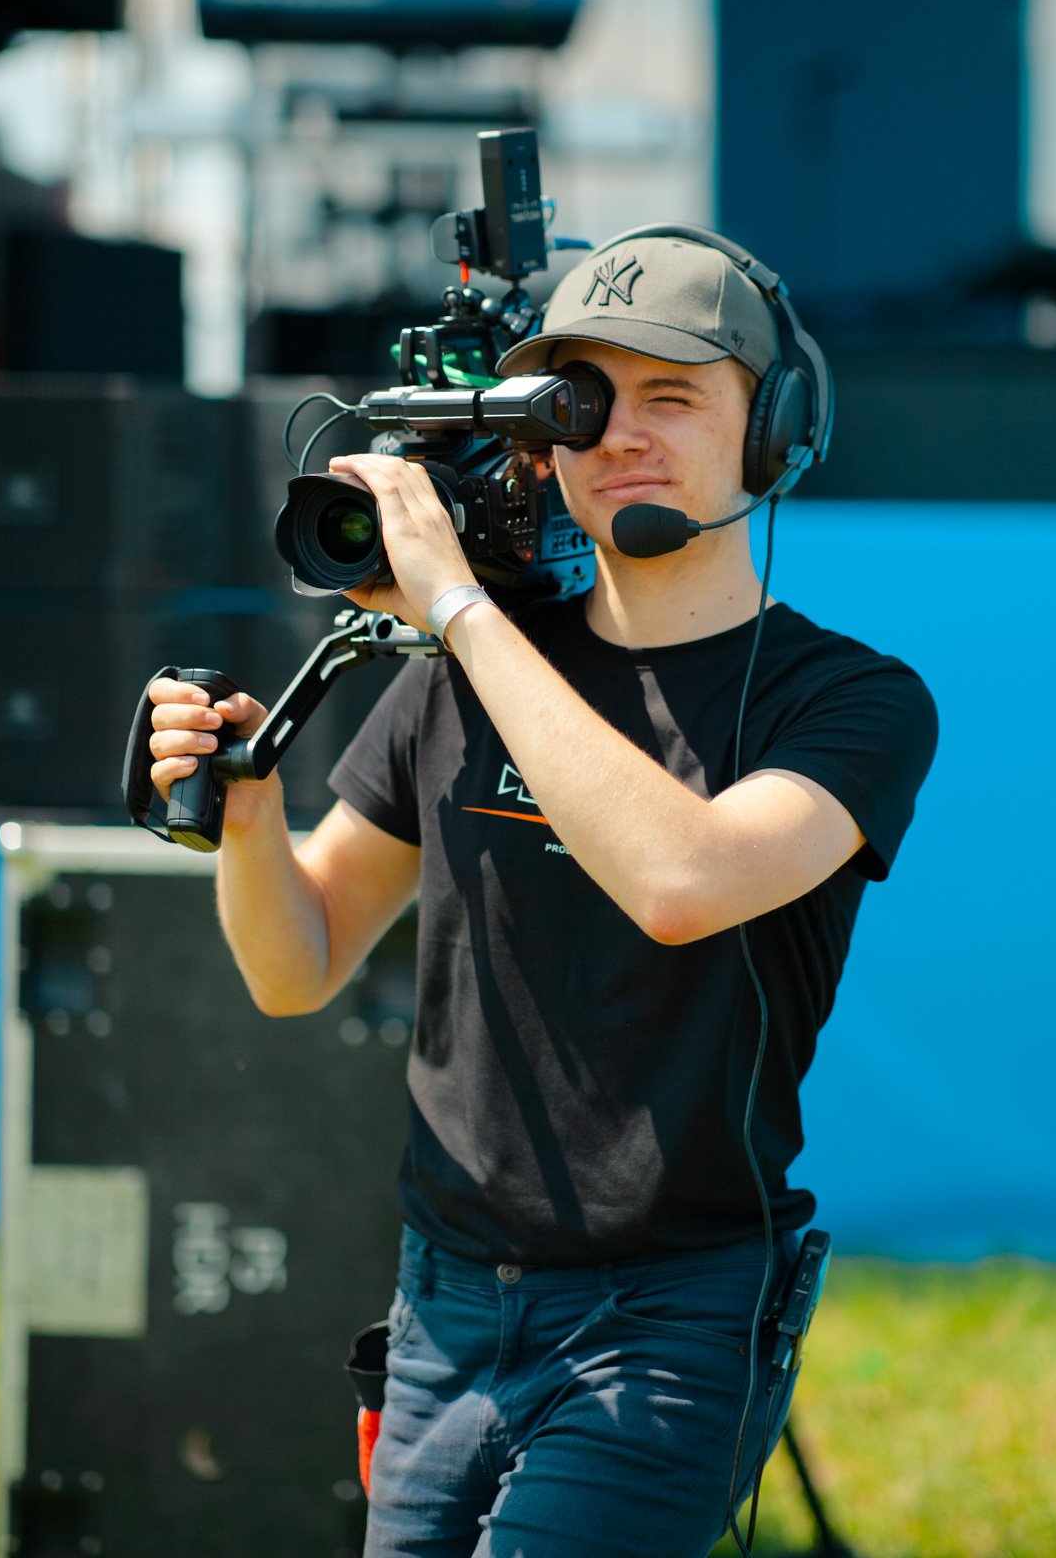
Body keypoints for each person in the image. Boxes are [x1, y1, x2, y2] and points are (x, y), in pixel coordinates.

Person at [146, 233, 938, 1558]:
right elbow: (296, 964)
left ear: (777, 429)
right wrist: (246, 807)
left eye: (673, 395)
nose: (620, 434)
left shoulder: (851, 701)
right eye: (581, 401)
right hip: (442, 1309)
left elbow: (682, 880)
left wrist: (459, 610)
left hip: (666, 1320)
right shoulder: (464, 671)